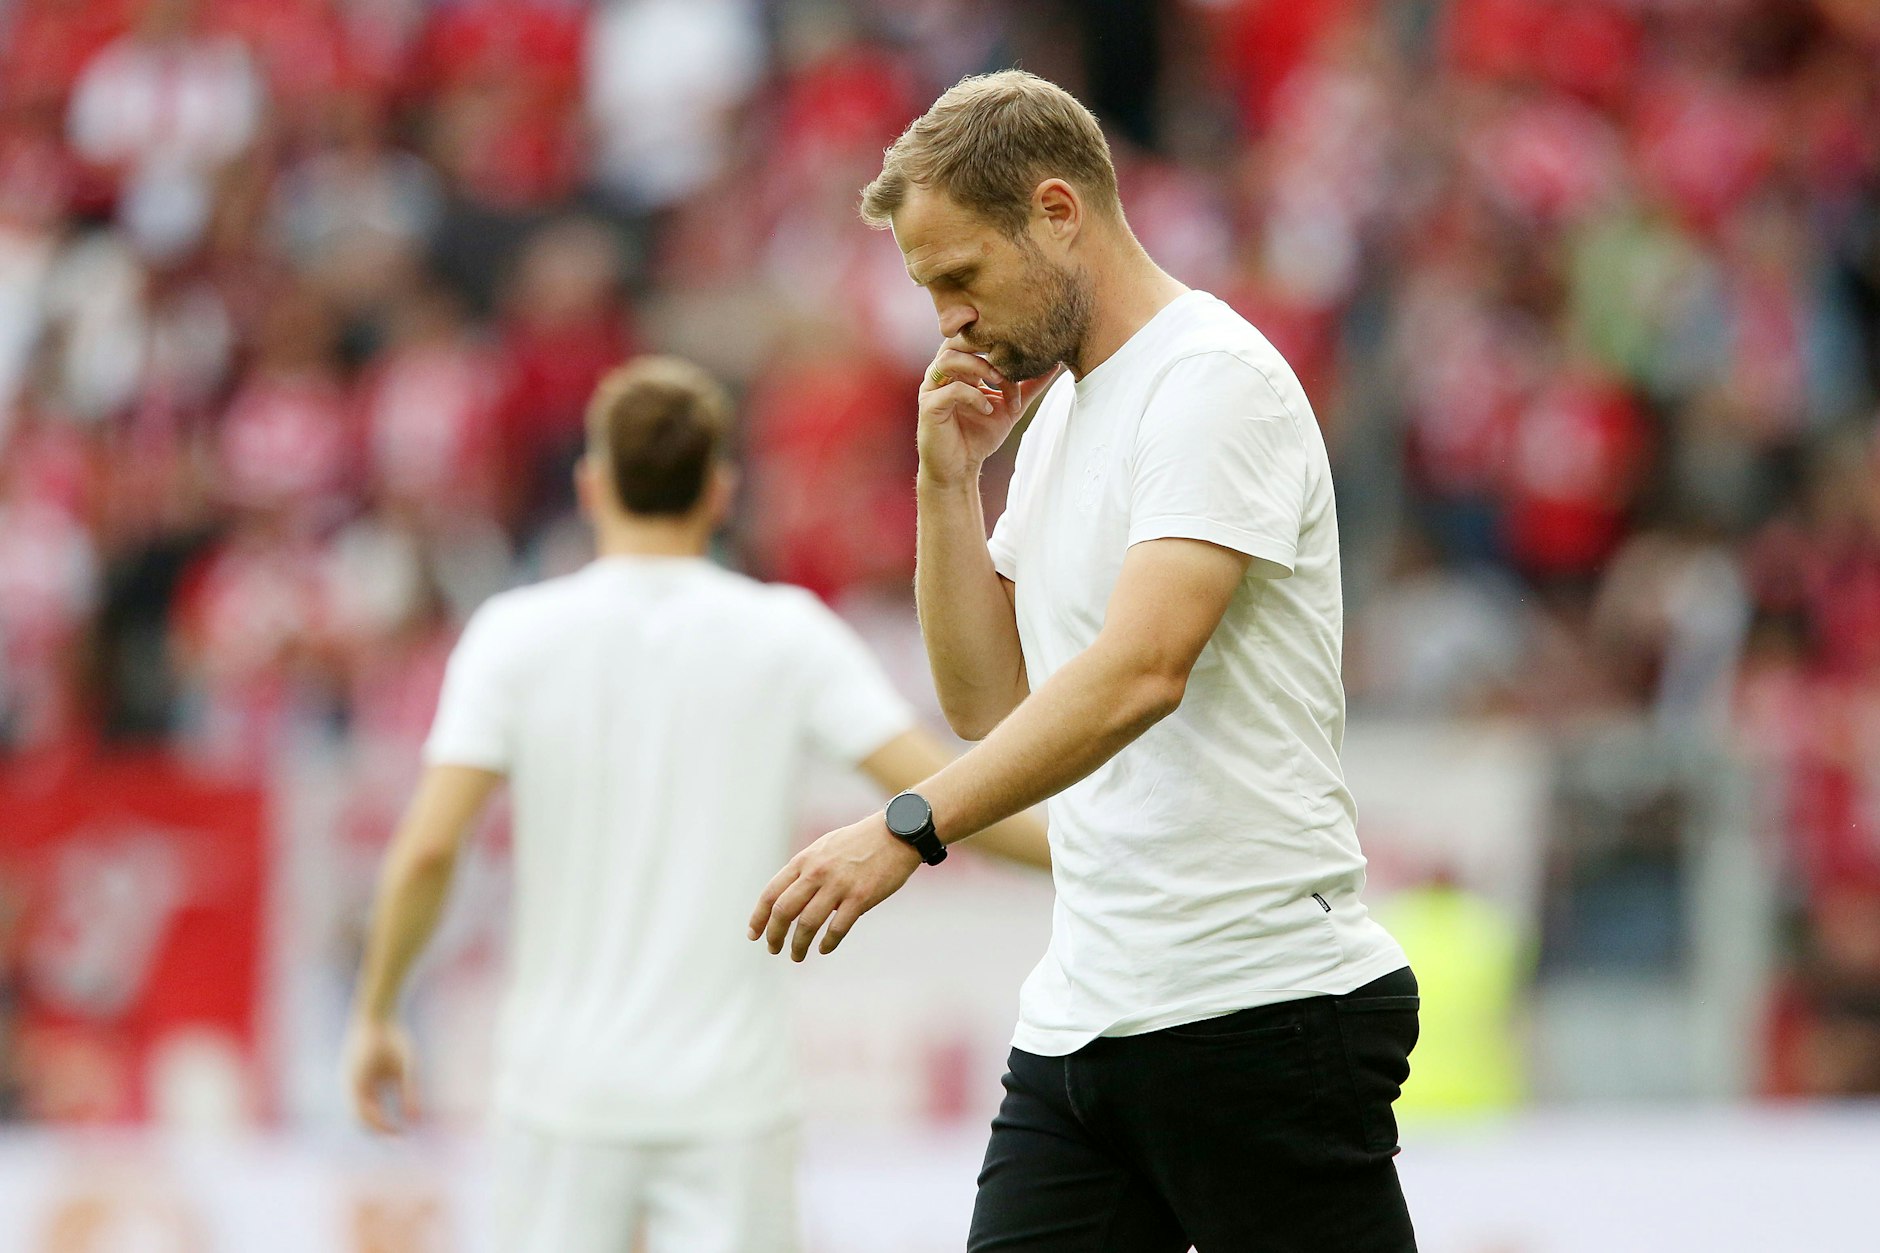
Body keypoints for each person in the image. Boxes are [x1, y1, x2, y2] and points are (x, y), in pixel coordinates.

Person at [749, 71, 1419, 1252]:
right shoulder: (1060, 413)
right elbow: (986, 699)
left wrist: (907, 826)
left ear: (1058, 212)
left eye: (958, 276)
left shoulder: (1210, 381)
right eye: (926, 290)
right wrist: (945, 481)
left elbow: (1141, 669)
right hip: (1085, 1020)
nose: (946, 318)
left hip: (1256, 1003)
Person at [343, 355, 1050, 1253]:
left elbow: (429, 850)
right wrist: (1093, 857)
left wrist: (376, 1013)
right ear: (720, 489)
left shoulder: (512, 636)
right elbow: (944, 794)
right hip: (730, 1099)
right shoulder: (784, 633)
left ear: (593, 485)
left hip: (562, 1094)